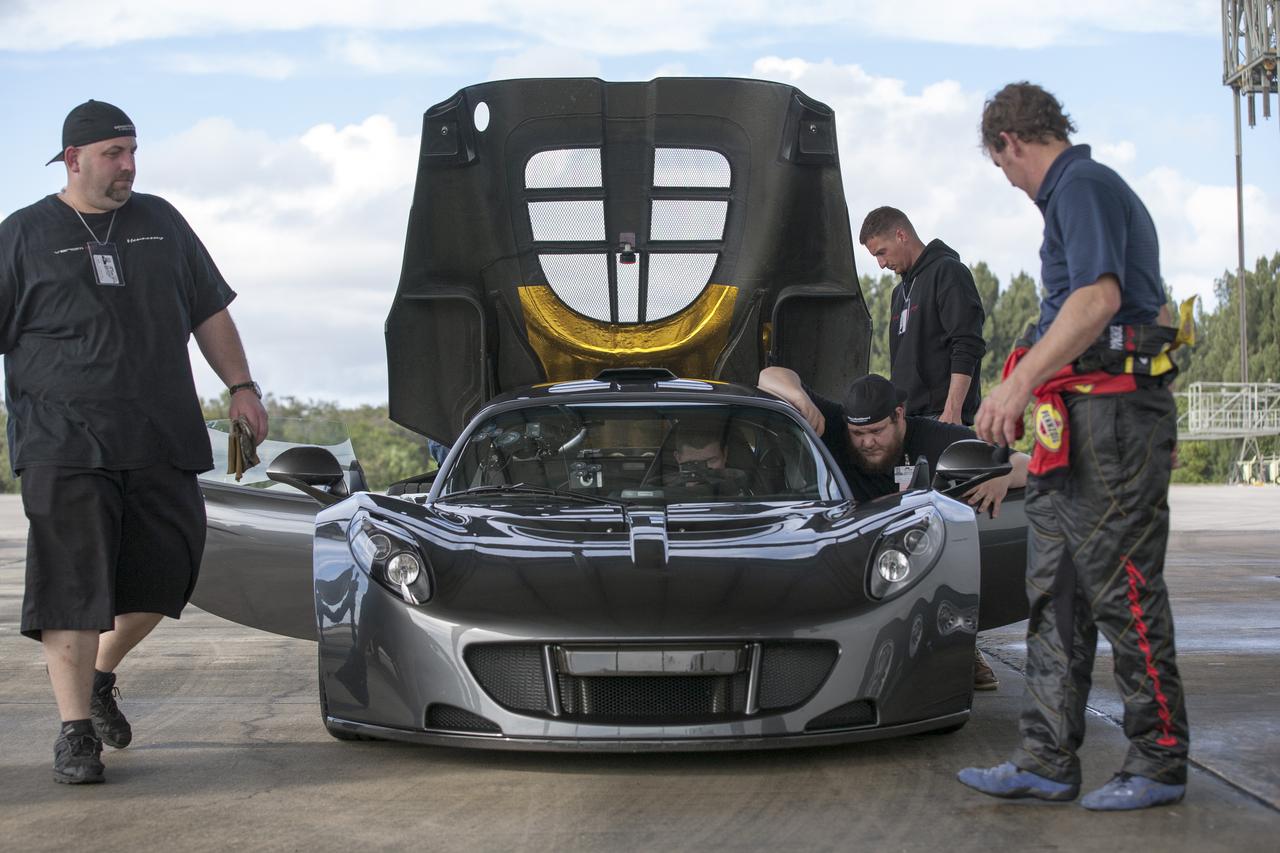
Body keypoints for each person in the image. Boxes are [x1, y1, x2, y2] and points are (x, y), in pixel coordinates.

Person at [0, 100, 269, 785]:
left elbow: (209, 308)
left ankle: (97, 675)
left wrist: (241, 385)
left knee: (171, 566)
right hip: (61, 439)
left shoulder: (161, 222)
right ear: (73, 159)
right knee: (73, 583)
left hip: (159, 430)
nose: (128, 166)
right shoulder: (23, 234)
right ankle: (74, 733)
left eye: (132, 151)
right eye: (114, 154)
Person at [957, 82, 1189, 811]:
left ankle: (1159, 759)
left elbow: (1098, 300)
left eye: (1004, 169)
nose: (1012, 183)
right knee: (1053, 589)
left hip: (1116, 422)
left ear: (1010, 144)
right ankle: (1046, 756)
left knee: (1123, 586)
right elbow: (1069, 312)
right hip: (1076, 425)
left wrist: (1017, 385)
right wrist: (1031, 368)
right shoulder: (1069, 199)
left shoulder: (1080, 185)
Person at [758, 369, 1029, 690]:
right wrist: (801, 399)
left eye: (876, 431)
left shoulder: (933, 436)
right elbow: (768, 376)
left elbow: (1028, 463)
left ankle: (959, 642)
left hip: (916, 555)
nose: (867, 442)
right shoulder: (834, 423)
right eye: (857, 434)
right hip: (846, 551)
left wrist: (1003, 475)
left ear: (898, 415)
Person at [859, 207, 986, 426]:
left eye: (882, 252)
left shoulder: (948, 271)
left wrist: (952, 411)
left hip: (943, 417)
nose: (881, 264)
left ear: (901, 235)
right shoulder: (898, 293)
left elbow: (967, 343)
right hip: (907, 419)